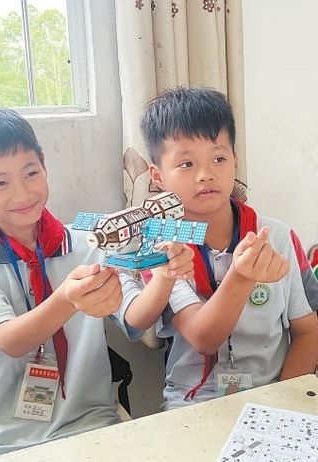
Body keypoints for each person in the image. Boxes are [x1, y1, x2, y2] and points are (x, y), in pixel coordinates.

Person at [0, 107, 154, 462]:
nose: (22, 193)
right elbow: (12, 341)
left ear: (44, 165)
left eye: (31, 173)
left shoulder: (93, 243)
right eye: (0, 182)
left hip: (86, 423)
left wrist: (166, 274)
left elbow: (137, 319)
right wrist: (68, 300)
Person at [120, 86, 318, 411]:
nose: (205, 175)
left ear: (235, 161)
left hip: (273, 394)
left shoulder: (278, 237)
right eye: (186, 163)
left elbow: (308, 332)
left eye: (218, 158)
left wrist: (280, 407)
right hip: (193, 404)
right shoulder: (160, 247)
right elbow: (204, 338)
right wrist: (240, 277)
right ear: (158, 176)